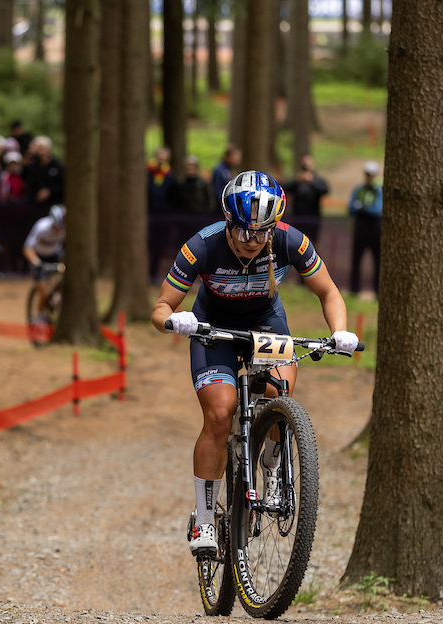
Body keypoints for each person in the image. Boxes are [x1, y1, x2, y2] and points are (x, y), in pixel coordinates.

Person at [151, 171, 358, 556]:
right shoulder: (202, 246)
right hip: (213, 328)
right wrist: (173, 319)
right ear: (228, 223)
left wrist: (340, 330)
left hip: (266, 324)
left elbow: (329, 290)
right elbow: (161, 307)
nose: (253, 241)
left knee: (282, 390)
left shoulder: (290, 240)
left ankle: (274, 466)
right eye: (245, 232)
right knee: (219, 413)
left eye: (261, 233)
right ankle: (205, 518)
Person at [22, 204, 66, 321]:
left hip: (55, 256)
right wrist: (36, 262)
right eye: (57, 227)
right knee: (43, 290)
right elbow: (27, 248)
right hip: (38, 257)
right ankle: (39, 315)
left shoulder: (65, 229)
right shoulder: (41, 226)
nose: (59, 231)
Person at [348, 161, 383, 295]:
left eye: (371, 174)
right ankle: (354, 290)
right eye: (367, 174)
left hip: (375, 229)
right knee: (356, 259)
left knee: (377, 261)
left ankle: (377, 291)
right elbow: (351, 207)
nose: (369, 177)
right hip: (360, 228)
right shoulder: (359, 189)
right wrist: (364, 209)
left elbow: (378, 210)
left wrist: (362, 208)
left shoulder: (378, 190)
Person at [286, 154, 329, 242]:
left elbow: (325, 190)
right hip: (298, 217)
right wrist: (297, 181)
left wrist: (312, 181)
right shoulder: (298, 180)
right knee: (296, 241)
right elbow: (287, 188)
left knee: (313, 242)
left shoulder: (317, 180)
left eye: (308, 163)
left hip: (313, 218)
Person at [23, 135, 65, 209]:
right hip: (36, 206)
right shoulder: (32, 167)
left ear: (48, 149)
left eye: (43, 148)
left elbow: (62, 185)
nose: (41, 151)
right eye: (39, 148)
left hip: (55, 204)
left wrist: (49, 191)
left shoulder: (57, 166)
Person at [147, 146, 175, 214]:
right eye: (159, 158)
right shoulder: (148, 171)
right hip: (150, 208)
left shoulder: (169, 174)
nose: (161, 161)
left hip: (165, 209)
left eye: (163, 159)